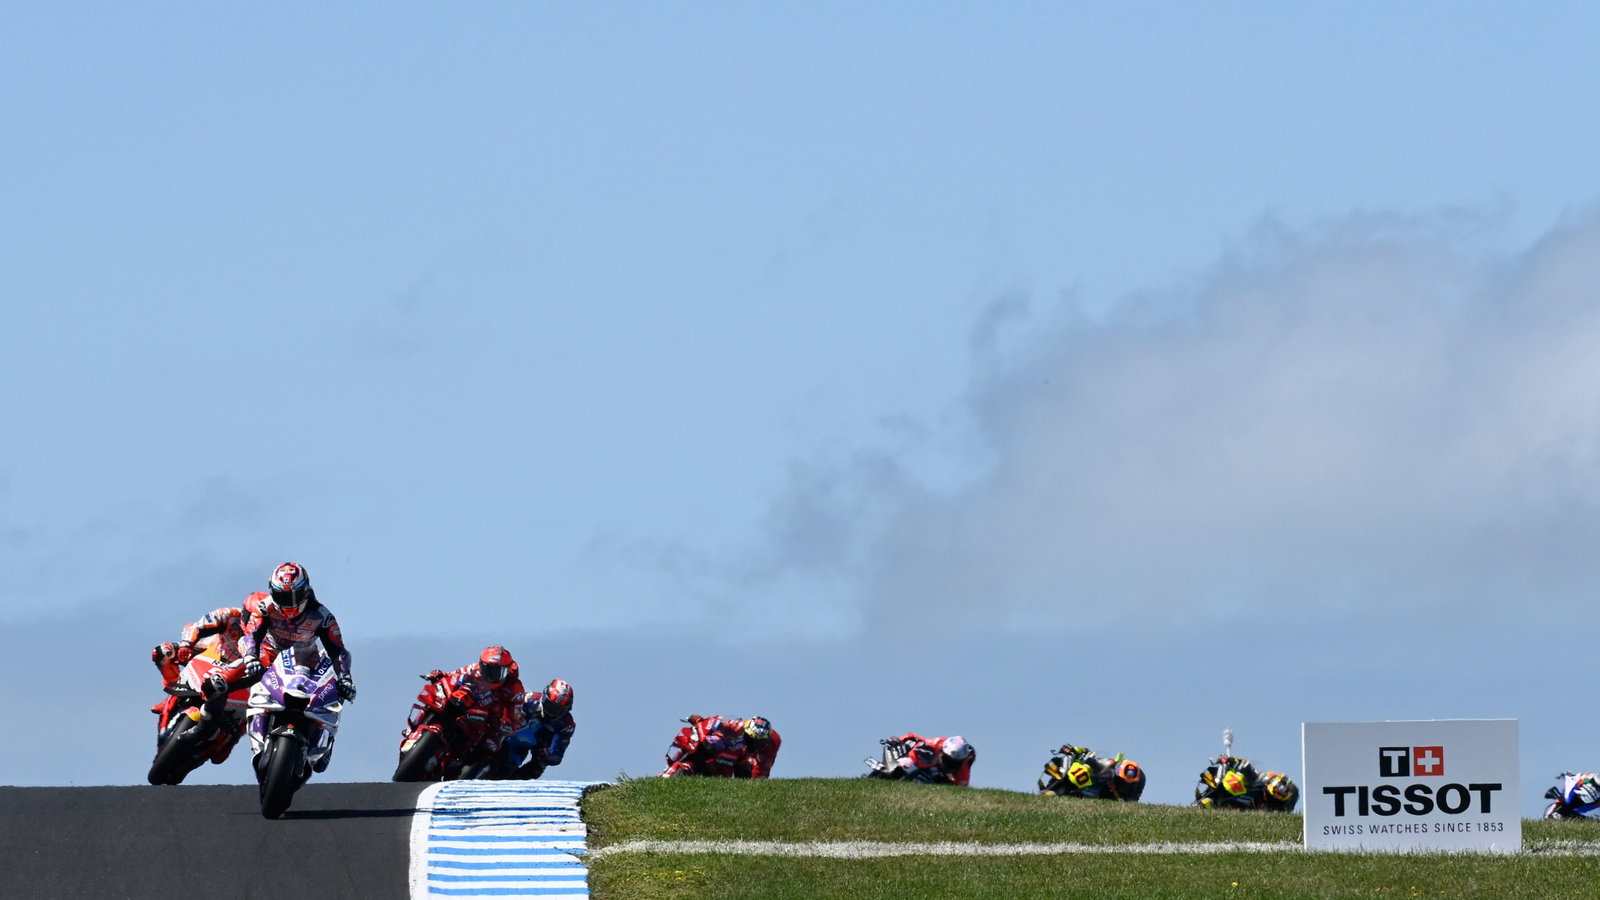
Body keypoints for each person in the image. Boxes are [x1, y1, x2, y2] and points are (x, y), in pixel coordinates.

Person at [192, 562, 355, 740]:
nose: (289, 604)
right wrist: (251, 658)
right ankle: (207, 721)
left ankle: (323, 737)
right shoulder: (265, 607)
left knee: (333, 691)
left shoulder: (322, 616)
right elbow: (252, 636)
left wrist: (346, 678)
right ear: (272, 591)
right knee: (220, 681)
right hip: (269, 653)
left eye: (295, 595)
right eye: (282, 596)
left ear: (306, 591)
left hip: (306, 658)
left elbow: (337, 650)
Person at [418, 645, 527, 772]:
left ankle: (465, 764)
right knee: (436, 696)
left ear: (507, 670)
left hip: (487, 718)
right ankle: (418, 727)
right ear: (481, 665)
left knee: (490, 746)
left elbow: (517, 711)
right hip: (466, 706)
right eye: (487, 669)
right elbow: (455, 674)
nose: (491, 675)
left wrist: (510, 723)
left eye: (497, 671)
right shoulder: (473, 668)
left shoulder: (515, 687)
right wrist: (440, 675)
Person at [498, 678, 576, 780]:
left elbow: (557, 754)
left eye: (558, 710)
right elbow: (507, 706)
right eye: (551, 707)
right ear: (544, 699)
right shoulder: (529, 699)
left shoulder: (567, 724)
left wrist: (547, 754)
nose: (552, 713)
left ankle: (516, 783)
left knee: (538, 767)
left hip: (537, 742)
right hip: (512, 731)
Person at [659, 715, 782, 778]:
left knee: (746, 773)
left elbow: (759, 772)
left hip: (727, 767)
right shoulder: (736, 727)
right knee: (691, 756)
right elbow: (719, 724)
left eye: (759, 741)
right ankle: (665, 774)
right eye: (753, 740)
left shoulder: (765, 746)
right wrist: (700, 721)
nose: (756, 744)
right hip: (715, 754)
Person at [1038, 743, 1146, 801]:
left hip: (1105, 795)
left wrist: (1115, 793)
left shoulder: (1140, 780)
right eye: (1122, 781)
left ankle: (1060, 793)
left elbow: (1129, 803)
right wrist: (1074, 750)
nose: (1125, 785)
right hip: (1095, 784)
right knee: (1080, 774)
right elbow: (1089, 754)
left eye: (1128, 782)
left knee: (1081, 794)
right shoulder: (1109, 768)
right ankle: (1053, 788)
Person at [1194, 755, 1299, 812]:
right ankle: (1211, 796)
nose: (1281, 790)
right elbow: (1246, 765)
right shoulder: (1265, 779)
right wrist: (1230, 760)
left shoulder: (1277, 808)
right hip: (1237, 788)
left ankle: (1215, 804)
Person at [867, 733, 975, 785]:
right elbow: (915, 737)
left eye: (955, 762)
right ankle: (885, 769)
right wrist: (899, 739)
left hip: (936, 773)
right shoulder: (936, 743)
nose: (951, 765)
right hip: (922, 760)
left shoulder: (964, 764)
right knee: (906, 762)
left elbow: (961, 787)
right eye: (948, 760)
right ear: (942, 752)